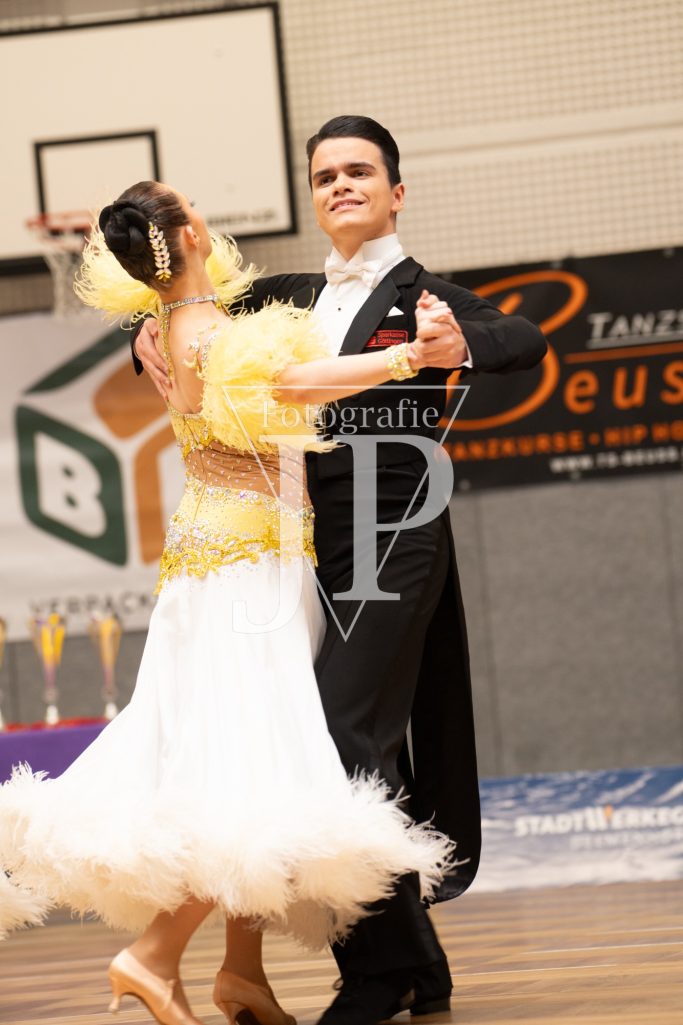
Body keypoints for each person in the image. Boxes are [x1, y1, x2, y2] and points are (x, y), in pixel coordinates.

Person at [0, 180, 471, 1025]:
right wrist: (407, 359)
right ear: (186, 236)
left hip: (237, 558)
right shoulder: (205, 330)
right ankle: (151, 955)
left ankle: (242, 972)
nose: (204, 215)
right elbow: (297, 382)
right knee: (253, 772)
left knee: (241, 756)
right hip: (245, 570)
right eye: (190, 208)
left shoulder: (176, 322)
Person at [133, 116, 548, 1025]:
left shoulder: (427, 296)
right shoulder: (282, 296)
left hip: (396, 532)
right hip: (309, 546)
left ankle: (379, 972)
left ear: (396, 192)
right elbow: (186, 298)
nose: (340, 186)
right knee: (337, 743)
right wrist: (143, 335)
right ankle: (416, 968)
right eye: (325, 176)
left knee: (334, 734)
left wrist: (456, 346)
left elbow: (522, 337)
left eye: (359, 171)